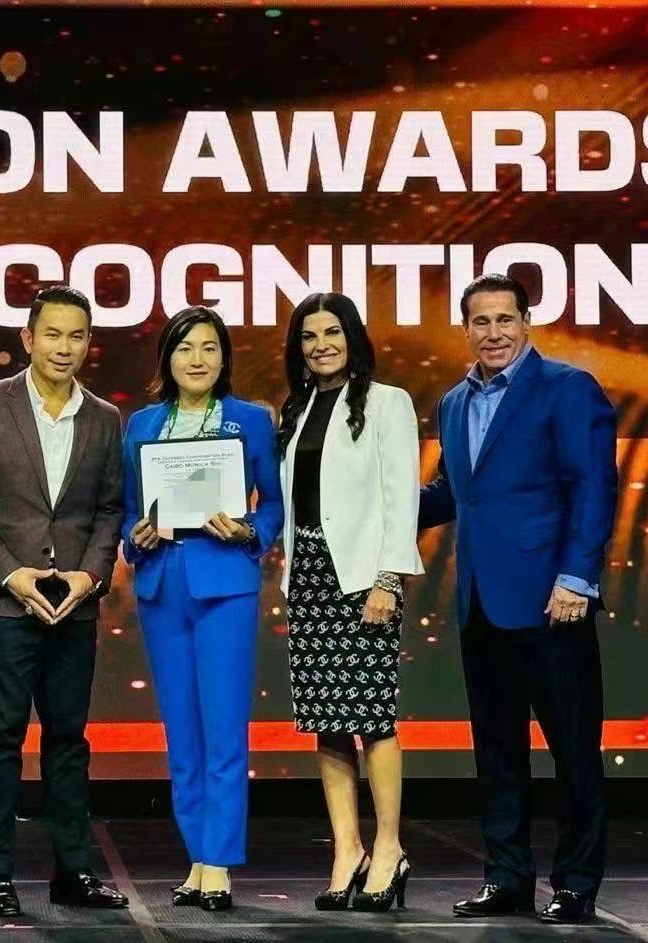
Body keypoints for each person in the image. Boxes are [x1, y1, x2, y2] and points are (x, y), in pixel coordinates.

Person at [419, 272, 617, 925]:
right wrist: (364, 506)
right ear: (465, 329)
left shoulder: (566, 388)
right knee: (497, 751)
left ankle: (576, 882)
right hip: (481, 601)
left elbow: (592, 487)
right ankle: (505, 877)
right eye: (480, 321)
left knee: (573, 750)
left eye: (504, 319)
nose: (493, 332)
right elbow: (452, 494)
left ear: (526, 322)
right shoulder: (453, 403)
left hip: (551, 600)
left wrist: (576, 577)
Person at [0, 285, 128, 918]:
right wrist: (10, 575)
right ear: (28, 338)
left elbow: (110, 510)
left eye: (76, 336)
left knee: (68, 739)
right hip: (6, 604)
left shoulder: (104, 417)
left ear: (88, 343)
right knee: (2, 736)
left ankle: (73, 871)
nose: (63, 347)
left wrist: (90, 576)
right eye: (52, 334)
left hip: (74, 604)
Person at [120, 306, 283, 912]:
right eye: (185, 348)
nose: (197, 359)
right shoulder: (142, 425)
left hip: (225, 585)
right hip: (162, 585)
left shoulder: (250, 421)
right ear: (167, 358)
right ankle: (197, 858)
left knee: (223, 729)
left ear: (224, 358)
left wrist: (249, 529)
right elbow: (128, 508)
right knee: (182, 733)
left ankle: (219, 861)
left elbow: (274, 505)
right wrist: (133, 537)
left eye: (209, 348)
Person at [277, 292, 424, 913]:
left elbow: (402, 497)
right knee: (328, 723)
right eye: (309, 336)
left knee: (373, 718)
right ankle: (347, 851)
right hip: (309, 575)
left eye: (332, 332)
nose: (321, 345)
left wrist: (389, 579)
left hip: (363, 579)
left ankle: (388, 848)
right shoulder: (295, 408)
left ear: (353, 338)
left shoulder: (388, 402)